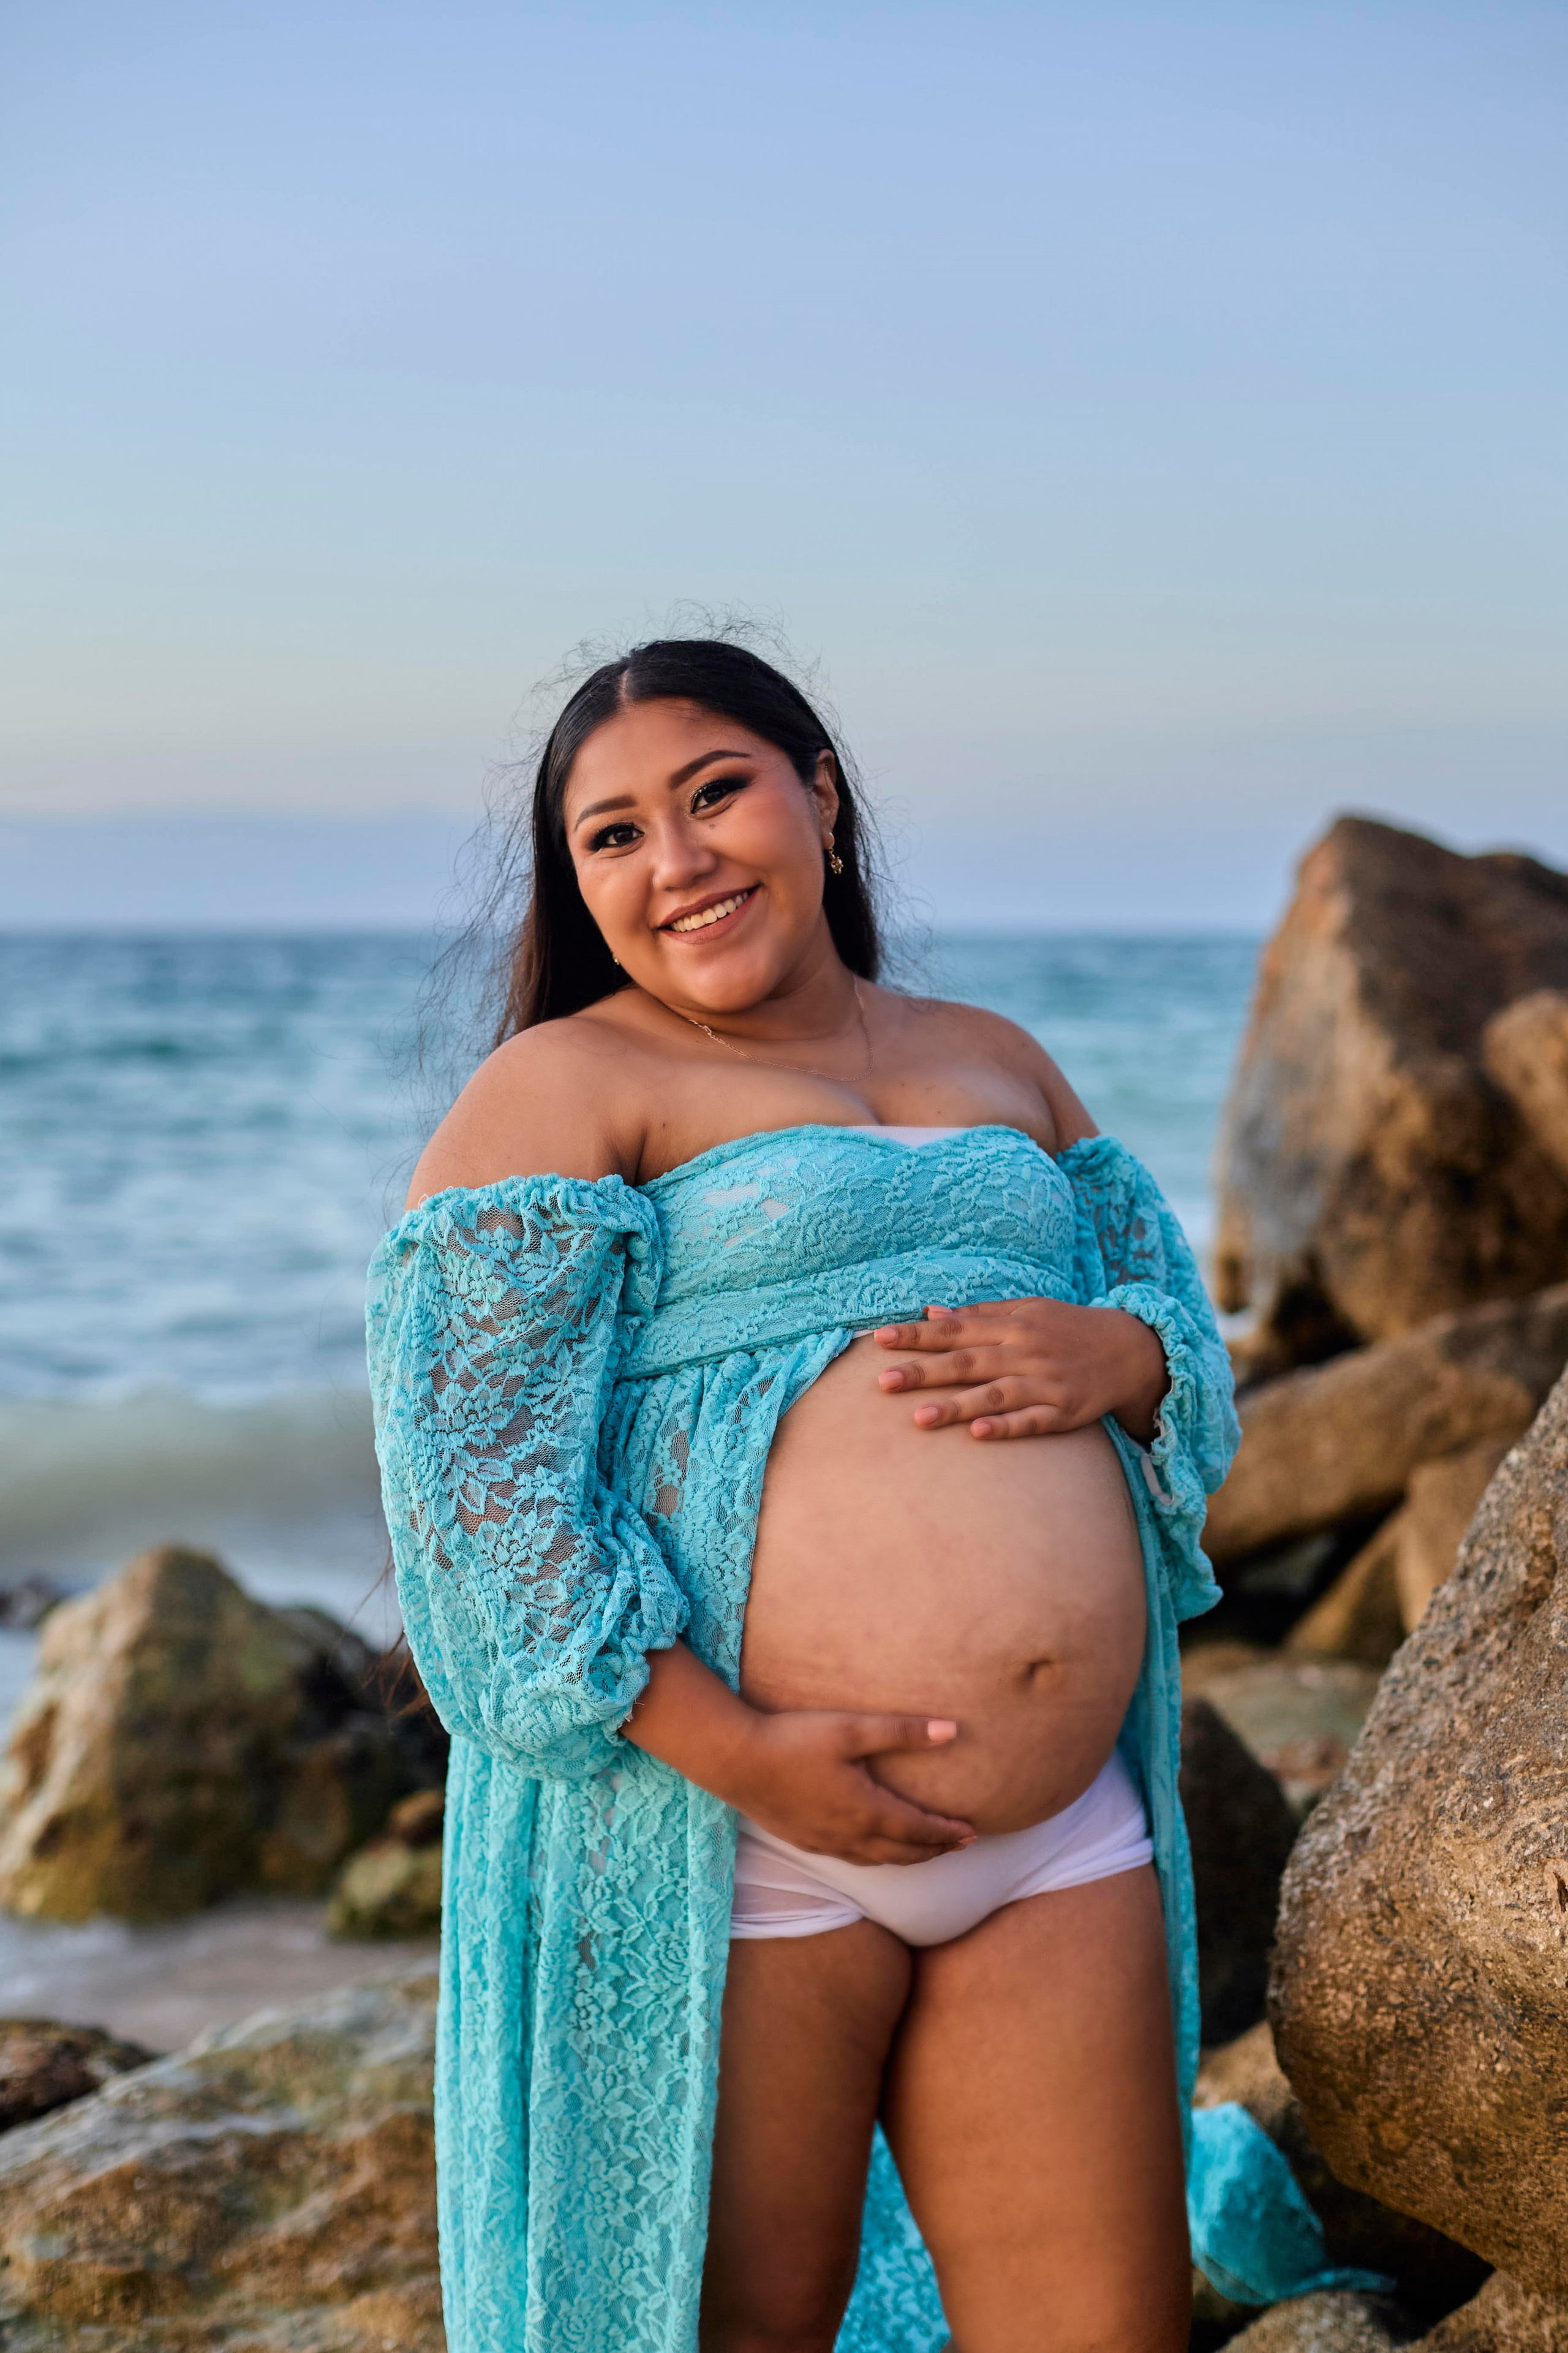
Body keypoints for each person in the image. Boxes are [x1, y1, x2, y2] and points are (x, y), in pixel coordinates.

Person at [368, 639, 1376, 2353]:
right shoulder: (567, 1085)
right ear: (581, 885)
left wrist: (1120, 1360)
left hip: (1060, 1840)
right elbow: (481, 1505)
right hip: (734, 1843)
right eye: (612, 837)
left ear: (818, 797)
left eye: (714, 794)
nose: (676, 862)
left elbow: (1179, 1353)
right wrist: (745, 1752)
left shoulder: (998, 1056)